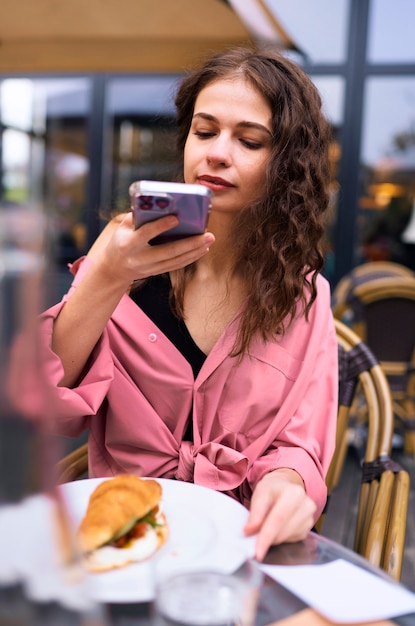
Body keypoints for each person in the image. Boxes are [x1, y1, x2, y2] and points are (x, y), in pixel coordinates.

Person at [8, 45, 338, 561]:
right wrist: (105, 279)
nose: (217, 153)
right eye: (204, 132)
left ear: (285, 166)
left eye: (249, 141)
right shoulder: (124, 255)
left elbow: (300, 440)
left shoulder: (302, 295)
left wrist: (289, 484)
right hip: (122, 543)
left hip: (239, 544)